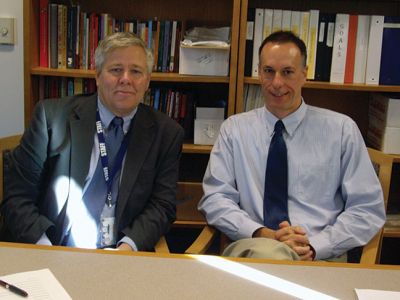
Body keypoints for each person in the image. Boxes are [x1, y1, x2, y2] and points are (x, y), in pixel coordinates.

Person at [198, 31, 385, 261]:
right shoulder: (234, 130)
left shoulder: (341, 130)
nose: (277, 83)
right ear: (259, 73)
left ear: (304, 75)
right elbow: (215, 199)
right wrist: (261, 233)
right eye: (269, 71)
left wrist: (315, 246)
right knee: (269, 257)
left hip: (321, 257)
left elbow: (367, 209)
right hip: (254, 249)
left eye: (287, 72)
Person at [0, 32, 184, 251]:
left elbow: (162, 206)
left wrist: (128, 247)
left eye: (136, 71)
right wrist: (44, 249)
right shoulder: (51, 118)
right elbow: (17, 198)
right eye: (116, 69)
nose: (125, 78)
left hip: (120, 253)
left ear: (147, 82)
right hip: (56, 246)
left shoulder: (166, 134)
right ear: (97, 76)